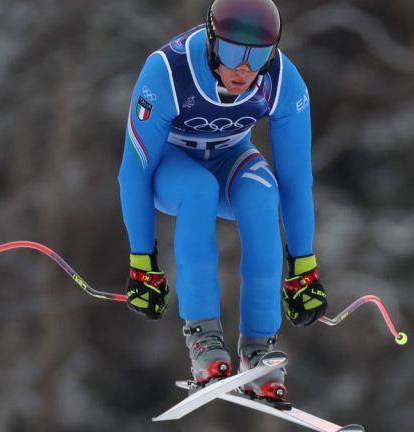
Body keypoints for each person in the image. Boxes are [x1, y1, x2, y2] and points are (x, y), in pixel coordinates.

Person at [117, 0, 327, 401]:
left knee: (263, 195)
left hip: (230, 159)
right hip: (172, 169)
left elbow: (296, 180)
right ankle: (203, 339)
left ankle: (258, 351)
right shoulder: (167, 71)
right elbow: (134, 172)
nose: (244, 69)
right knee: (199, 191)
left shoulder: (282, 81)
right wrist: (142, 260)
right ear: (213, 42)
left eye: (259, 56)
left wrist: (304, 265)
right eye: (233, 53)